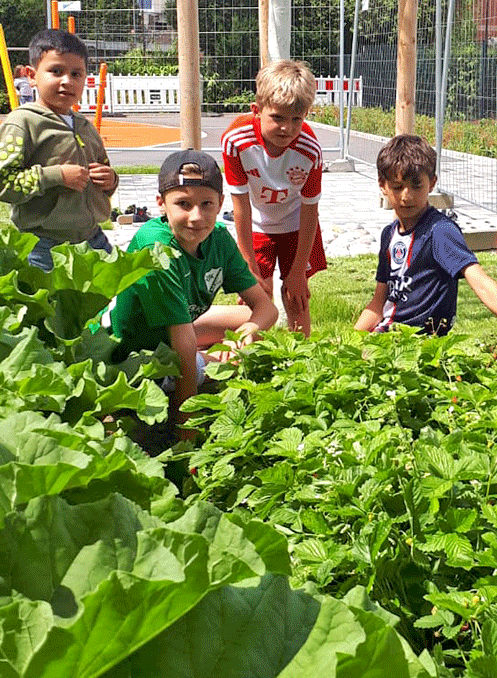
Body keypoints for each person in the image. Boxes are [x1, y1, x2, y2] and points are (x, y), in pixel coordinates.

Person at [96, 150, 279, 438]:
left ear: (220, 204)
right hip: (129, 354)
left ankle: (205, 359)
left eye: (207, 203)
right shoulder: (157, 247)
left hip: (169, 331)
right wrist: (186, 425)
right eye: (183, 204)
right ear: (161, 204)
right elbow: (182, 344)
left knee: (247, 318)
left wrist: (249, 333)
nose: (197, 217)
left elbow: (267, 309)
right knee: (227, 363)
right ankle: (199, 368)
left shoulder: (218, 237)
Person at [356, 134, 497, 347]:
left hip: (421, 342)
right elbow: (379, 303)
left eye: (416, 186)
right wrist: (350, 341)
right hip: (386, 335)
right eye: (397, 186)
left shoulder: (439, 231)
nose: (407, 196)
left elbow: (481, 282)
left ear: (432, 184)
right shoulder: (389, 234)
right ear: (382, 185)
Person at [0, 29, 118, 272]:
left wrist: (109, 180)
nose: (67, 80)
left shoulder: (84, 125)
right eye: (56, 71)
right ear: (32, 76)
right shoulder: (22, 123)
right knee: (49, 308)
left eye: (76, 74)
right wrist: (56, 176)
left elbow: (103, 169)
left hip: (92, 239)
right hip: (42, 245)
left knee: (104, 304)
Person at [221, 59, 327, 336]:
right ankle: (250, 356)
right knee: (254, 294)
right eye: (278, 117)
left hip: (295, 223)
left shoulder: (310, 151)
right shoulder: (236, 141)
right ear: (257, 111)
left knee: (296, 294)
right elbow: (240, 206)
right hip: (257, 221)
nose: (287, 128)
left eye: (296, 119)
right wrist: (248, 265)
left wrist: (296, 274)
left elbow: (309, 210)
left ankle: (301, 356)